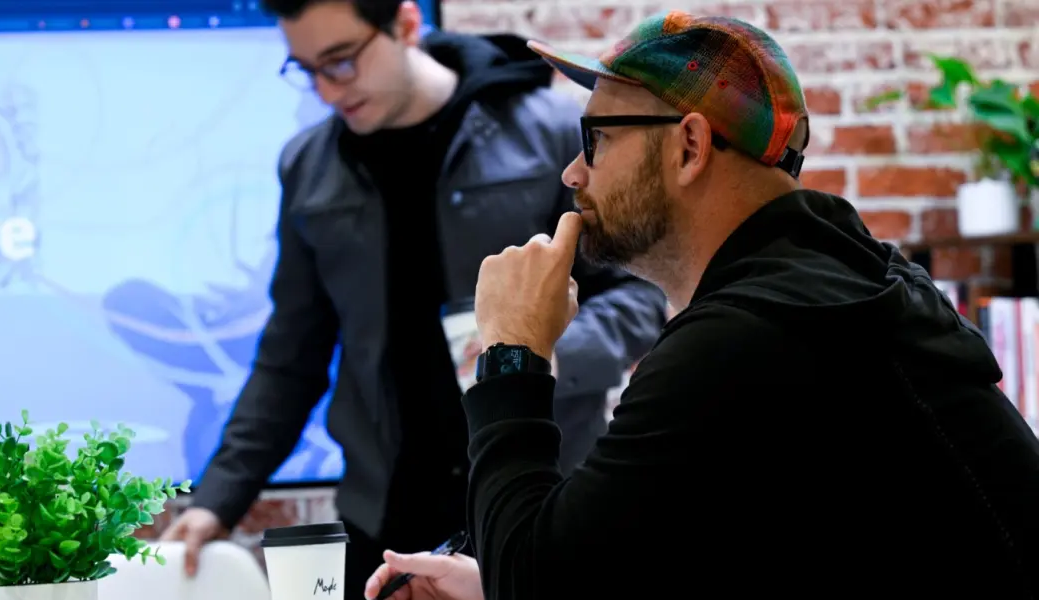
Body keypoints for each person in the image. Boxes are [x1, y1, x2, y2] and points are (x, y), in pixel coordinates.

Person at [367, 10, 1039, 600]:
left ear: (689, 146)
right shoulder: (825, 286)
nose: (573, 173)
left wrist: (513, 352)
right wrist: (499, 580)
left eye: (596, 138)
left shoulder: (750, 332)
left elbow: (539, 586)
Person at [159, 0, 668, 597]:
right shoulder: (307, 166)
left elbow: (635, 296)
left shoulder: (552, 133)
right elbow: (290, 357)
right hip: (383, 522)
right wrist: (217, 499)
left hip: (532, 501)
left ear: (405, 24)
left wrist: (538, 358)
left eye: (341, 62)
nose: (326, 90)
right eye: (306, 69)